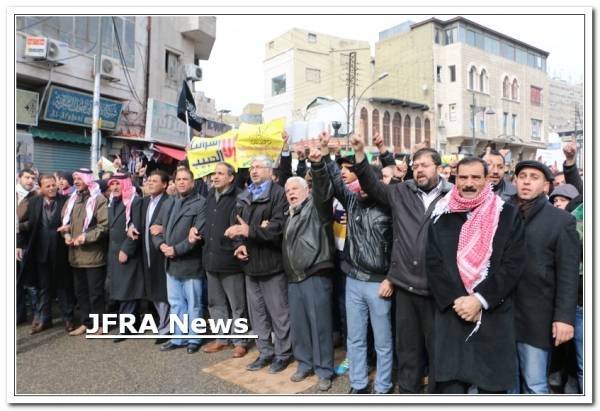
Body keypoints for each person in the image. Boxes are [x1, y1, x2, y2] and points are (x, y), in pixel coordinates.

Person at [351, 135, 453, 394]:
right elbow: (372, 185)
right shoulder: (401, 192)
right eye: (415, 165)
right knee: (407, 349)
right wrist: (360, 153)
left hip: (437, 291)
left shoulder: (453, 196)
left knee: (438, 349)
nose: (419, 170)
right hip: (406, 286)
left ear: (439, 168)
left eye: (425, 165)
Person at [427, 157, 525, 393]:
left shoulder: (507, 214)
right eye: (463, 177)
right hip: (453, 316)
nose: (469, 183)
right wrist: (459, 302)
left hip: (491, 317)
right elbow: (433, 263)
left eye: (475, 177)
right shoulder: (442, 213)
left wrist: (479, 300)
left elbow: (513, 265)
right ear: (455, 179)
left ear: (487, 179)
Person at [312, 133, 395, 395]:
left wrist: (391, 278)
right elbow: (335, 180)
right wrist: (324, 154)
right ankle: (358, 384)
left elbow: (399, 247)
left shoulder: (391, 206)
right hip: (353, 280)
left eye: (367, 179)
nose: (363, 184)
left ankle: (383, 386)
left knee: (383, 341)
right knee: (355, 338)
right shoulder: (352, 202)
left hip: (379, 284)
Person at [509, 160, 580, 394]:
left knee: (535, 384)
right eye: (522, 176)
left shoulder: (561, 220)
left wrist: (564, 318)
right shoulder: (502, 213)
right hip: (503, 316)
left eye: (534, 177)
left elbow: (568, 274)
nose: (527, 181)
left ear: (546, 186)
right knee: (506, 385)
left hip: (537, 318)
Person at [225, 155, 292, 373]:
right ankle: (265, 353)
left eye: (259, 167)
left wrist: (251, 230)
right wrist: (239, 244)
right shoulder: (244, 195)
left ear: (270, 170)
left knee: (279, 314)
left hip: (272, 264)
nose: (253, 171)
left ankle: (283, 354)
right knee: (257, 315)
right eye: (252, 167)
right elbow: (236, 225)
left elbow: (277, 228)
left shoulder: (278, 194)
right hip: (250, 265)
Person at [188, 163, 249, 358]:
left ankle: (240, 341)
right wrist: (195, 229)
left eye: (220, 174)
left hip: (231, 260)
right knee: (215, 303)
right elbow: (204, 222)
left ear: (231, 178)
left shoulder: (240, 197)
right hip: (211, 258)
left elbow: (242, 226)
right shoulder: (210, 196)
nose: (215, 177)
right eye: (214, 173)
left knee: (237, 304)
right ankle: (221, 339)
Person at [281, 174, 335, 391]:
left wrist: (318, 166)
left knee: (320, 326)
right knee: (300, 326)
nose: (291, 193)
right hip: (294, 277)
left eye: (295, 188)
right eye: (288, 191)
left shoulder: (316, 207)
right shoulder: (290, 213)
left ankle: (324, 370)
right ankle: (304, 364)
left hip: (314, 274)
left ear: (307, 190)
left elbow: (323, 190)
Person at [152, 167, 207, 354]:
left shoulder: (201, 204)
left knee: (194, 304)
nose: (181, 182)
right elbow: (155, 228)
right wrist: (162, 246)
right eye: (178, 179)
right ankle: (178, 338)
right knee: (176, 303)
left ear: (193, 182)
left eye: (185, 179)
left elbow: (197, 236)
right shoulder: (169, 203)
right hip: (170, 263)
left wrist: (175, 250)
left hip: (190, 263)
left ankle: (194, 338)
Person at [18, 174, 75, 333]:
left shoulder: (66, 201)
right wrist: (19, 245)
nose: (51, 188)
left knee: (63, 287)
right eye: (47, 186)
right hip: (40, 251)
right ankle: (45, 319)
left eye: (53, 185)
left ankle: (68, 319)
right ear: (41, 188)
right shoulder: (33, 202)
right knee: (43, 287)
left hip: (61, 251)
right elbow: (22, 225)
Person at [58, 169, 109, 336]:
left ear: (88, 179)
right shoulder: (72, 199)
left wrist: (85, 237)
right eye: (74, 179)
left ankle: (101, 324)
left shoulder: (98, 200)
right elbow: (65, 223)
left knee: (96, 294)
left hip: (93, 256)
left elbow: (103, 227)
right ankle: (87, 323)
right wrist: (66, 235)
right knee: (81, 293)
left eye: (79, 178)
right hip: (75, 256)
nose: (76, 181)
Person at [127, 170, 171, 344]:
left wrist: (164, 229)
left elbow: (177, 225)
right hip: (146, 252)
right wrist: (131, 226)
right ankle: (164, 325)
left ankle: (166, 328)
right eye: (149, 180)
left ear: (164, 184)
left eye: (154, 181)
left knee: (164, 292)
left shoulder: (170, 202)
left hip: (163, 253)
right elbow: (135, 221)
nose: (150, 183)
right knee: (153, 290)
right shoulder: (144, 202)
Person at [106, 173, 145, 342]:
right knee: (122, 290)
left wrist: (127, 250)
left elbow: (136, 228)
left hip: (127, 252)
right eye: (112, 184)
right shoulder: (112, 202)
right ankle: (132, 324)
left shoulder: (134, 202)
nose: (115, 187)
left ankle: (127, 327)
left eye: (118, 184)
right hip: (114, 252)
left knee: (127, 291)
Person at [16, 168, 38, 325]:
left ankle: (38, 316)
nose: (30, 180)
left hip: (26, 245)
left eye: (32, 178)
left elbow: (35, 221)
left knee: (30, 282)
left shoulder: (36, 197)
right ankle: (18, 314)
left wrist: (18, 226)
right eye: (27, 177)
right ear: (19, 178)